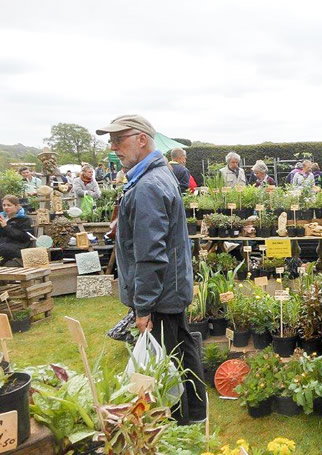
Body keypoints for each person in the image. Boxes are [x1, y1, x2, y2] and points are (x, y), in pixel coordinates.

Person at [96, 114, 206, 424]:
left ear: (142, 139)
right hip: (169, 289)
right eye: (111, 141)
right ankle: (195, 416)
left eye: (119, 140)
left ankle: (176, 423)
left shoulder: (147, 185)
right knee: (181, 349)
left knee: (165, 363)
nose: (113, 147)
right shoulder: (158, 175)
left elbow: (150, 254)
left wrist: (143, 306)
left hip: (158, 295)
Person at [0, 195, 33, 266]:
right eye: (4, 205)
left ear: (17, 206)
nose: (6, 207)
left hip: (19, 248)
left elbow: (25, 237)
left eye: (9, 205)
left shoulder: (25, 219)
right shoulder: (2, 218)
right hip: (4, 247)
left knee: (2, 248)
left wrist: (6, 227)